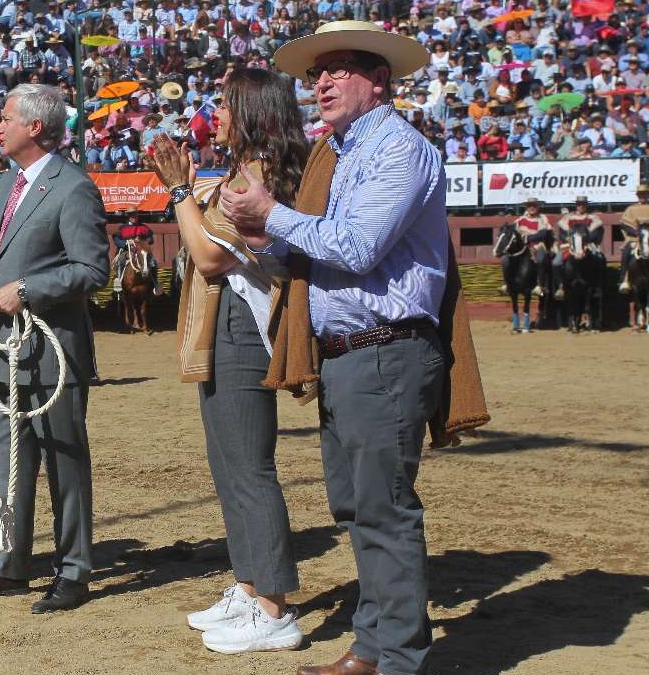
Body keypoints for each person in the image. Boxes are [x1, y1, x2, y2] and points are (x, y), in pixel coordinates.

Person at [219, 22, 450, 675]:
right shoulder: (346, 153)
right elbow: (331, 243)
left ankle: (398, 656)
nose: (320, 81)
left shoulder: (398, 150)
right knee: (357, 506)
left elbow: (357, 247)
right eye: (317, 71)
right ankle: (375, 646)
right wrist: (272, 237)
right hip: (356, 351)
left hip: (383, 347)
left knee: (382, 508)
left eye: (339, 67)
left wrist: (272, 214)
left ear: (379, 80)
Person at [149, 67, 308, 654]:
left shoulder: (258, 173)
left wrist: (176, 193)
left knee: (248, 467)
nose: (214, 113)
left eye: (224, 104)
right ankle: (251, 587)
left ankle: (273, 609)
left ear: (254, 111)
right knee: (230, 466)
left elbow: (209, 256)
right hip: (227, 326)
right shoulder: (248, 170)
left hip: (243, 327)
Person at [0, 84, 109, 614]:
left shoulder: (73, 188)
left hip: (51, 350)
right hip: (1, 350)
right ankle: (8, 565)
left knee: (63, 463)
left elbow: (91, 270)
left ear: (35, 127)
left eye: (6, 118)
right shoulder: (6, 184)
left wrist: (29, 291)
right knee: (6, 463)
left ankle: (73, 571)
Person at [552, 195, 604, 301]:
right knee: (556, 262)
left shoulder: (593, 218)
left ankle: (597, 287)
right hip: (569, 245)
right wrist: (569, 240)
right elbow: (561, 233)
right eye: (579, 204)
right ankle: (561, 286)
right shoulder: (568, 217)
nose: (581, 206)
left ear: (586, 206)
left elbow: (596, 233)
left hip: (587, 245)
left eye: (583, 204)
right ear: (576, 205)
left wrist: (584, 239)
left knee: (600, 259)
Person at [506, 197, 554, 296]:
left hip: (537, 245)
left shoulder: (542, 218)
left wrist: (528, 238)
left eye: (534, 206)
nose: (531, 208)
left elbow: (543, 233)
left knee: (541, 258)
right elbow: (513, 231)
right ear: (527, 207)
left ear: (538, 207)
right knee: (508, 258)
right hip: (522, 246)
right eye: (529, 206)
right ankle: (508, 283)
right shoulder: (521, 219)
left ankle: (539, 285)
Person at [617, 184, 649, 294]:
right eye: (640, 194)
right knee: (626, 252)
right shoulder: (631, 209)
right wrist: (637, 232)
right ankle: (624, 280)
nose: (642, 196)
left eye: (644, 194)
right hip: (635, 238)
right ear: (637, 195)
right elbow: (624, 225)